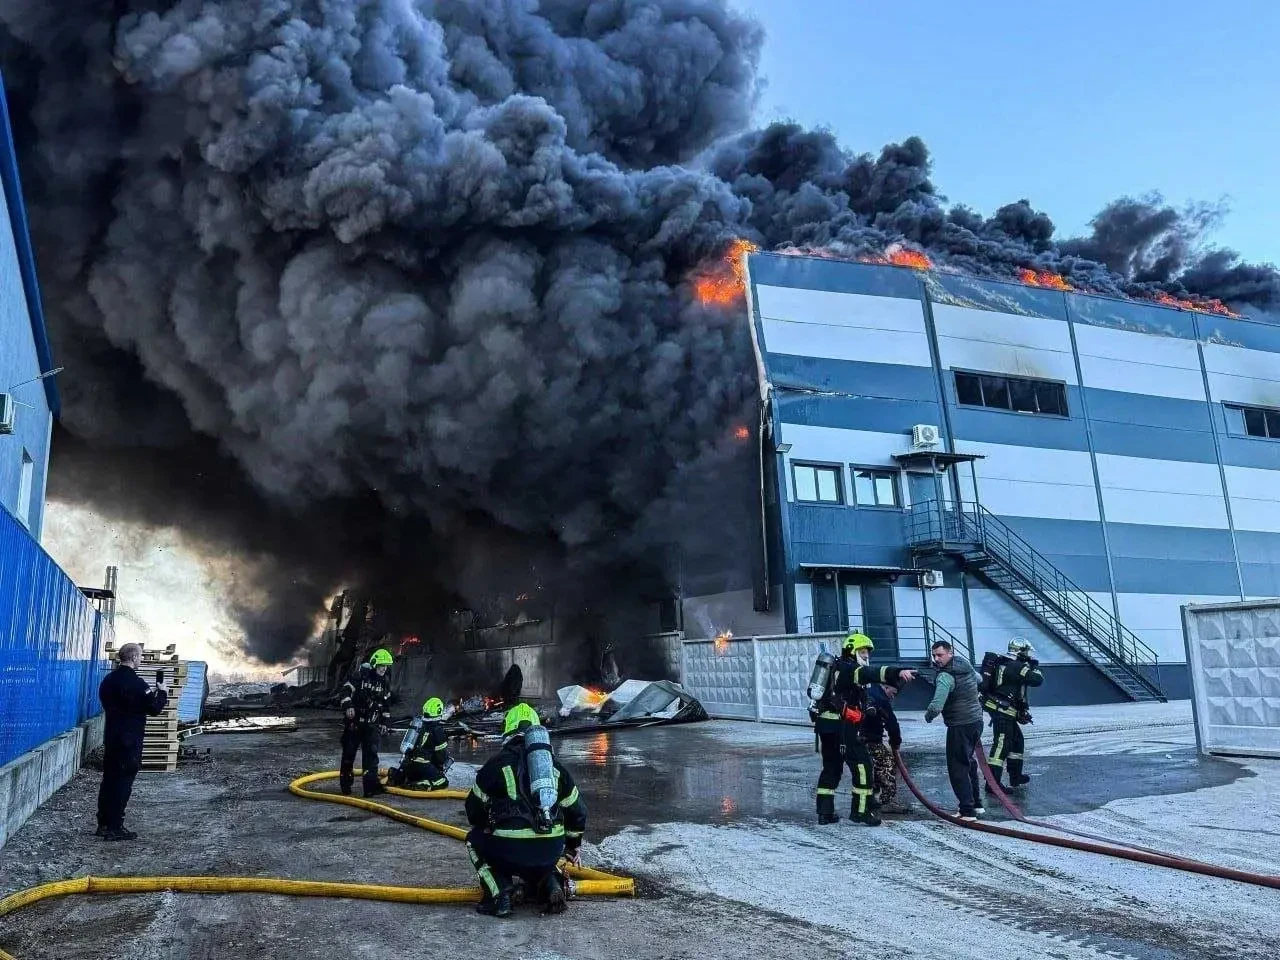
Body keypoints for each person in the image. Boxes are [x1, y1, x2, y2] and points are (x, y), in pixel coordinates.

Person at [465, 703, 587, 918]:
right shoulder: (554, 767)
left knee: (474, 840)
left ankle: (500, 895)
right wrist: (572, 844)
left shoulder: (497, 764)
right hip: (550, 851)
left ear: (508, 730)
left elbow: (473, 809)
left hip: (510, 850)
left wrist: (486, 826)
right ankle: (549, 882)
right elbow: (578, 811)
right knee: (538, 855)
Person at [812, 633, 917, 826]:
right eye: (862, 651)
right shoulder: (851, 669)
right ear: (851, 651)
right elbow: (872, 673)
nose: (866, 655)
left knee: (831, 768)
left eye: (867, 652)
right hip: (843, 727)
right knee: (863, 767)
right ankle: (860, 812)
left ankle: (824, 813)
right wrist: (897, 672)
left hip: (826, 726)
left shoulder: (837, 667)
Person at [96, 643, 169, 841]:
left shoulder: (108, 681)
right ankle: (115, 827)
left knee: (109, 780)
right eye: (141, 656)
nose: (141, 659)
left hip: (111, 737)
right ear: (134, 657)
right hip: (129, 741)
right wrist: (162, 692)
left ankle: (103, 823)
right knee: (123, 782)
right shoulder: (137, 684)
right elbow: (154, 708)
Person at [924, 640, 985, 820]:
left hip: (959, 724)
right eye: (934, 656)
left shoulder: (945, 676)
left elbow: (937, 705)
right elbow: (979, 680)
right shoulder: (966, 666)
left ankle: (967, 811)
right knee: (969, 762)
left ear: (950, 653)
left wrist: (928, 716)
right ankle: (977, 804)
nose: (936, 659)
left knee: (958, 767)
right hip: (976, 721)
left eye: (940, 655)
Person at [983, 637, 1045, 791]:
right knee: (1001, 745)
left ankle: (1015, 776)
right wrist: (1034, 666)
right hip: (1002, 711)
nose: (1029, 654)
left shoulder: (1004, 662)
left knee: (1017, 741)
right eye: (1027, 652)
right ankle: (992, 784)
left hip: (1003, 709)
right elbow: (1037, 679)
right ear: (1020, 651)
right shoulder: (1017, 666)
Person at [339, 648, 394, 797]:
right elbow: (344, 692)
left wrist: (385, 722)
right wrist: (348, 706)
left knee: (371, 756)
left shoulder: (385, 681)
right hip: (355, 723)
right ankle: (345, 785)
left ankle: (370, 788)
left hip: (372, 724)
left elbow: (386, 704)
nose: (384, 668)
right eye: (381, 665)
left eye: (386, 666)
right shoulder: (360, 676)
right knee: (349, 753)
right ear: (374, 663)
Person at [862, 682, 909, 815]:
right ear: (886, 687)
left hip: (858, 738)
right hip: (870, 739)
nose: (893, 697)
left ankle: (872, 797)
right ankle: (887, 801)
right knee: (886, 763)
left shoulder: (870, 691)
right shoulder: (881, 699)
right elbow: (892, 724)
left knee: (872, 768)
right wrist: (896, 742)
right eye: (893, 693)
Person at [391, 697, 452, 790]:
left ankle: (397, 776)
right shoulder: (438, 731)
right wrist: (440, 767)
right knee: (443, 781)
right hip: (423, 766)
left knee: (411, 773)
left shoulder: (418, 725)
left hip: (408, 765)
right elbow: (441, 757)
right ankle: (422, 785)